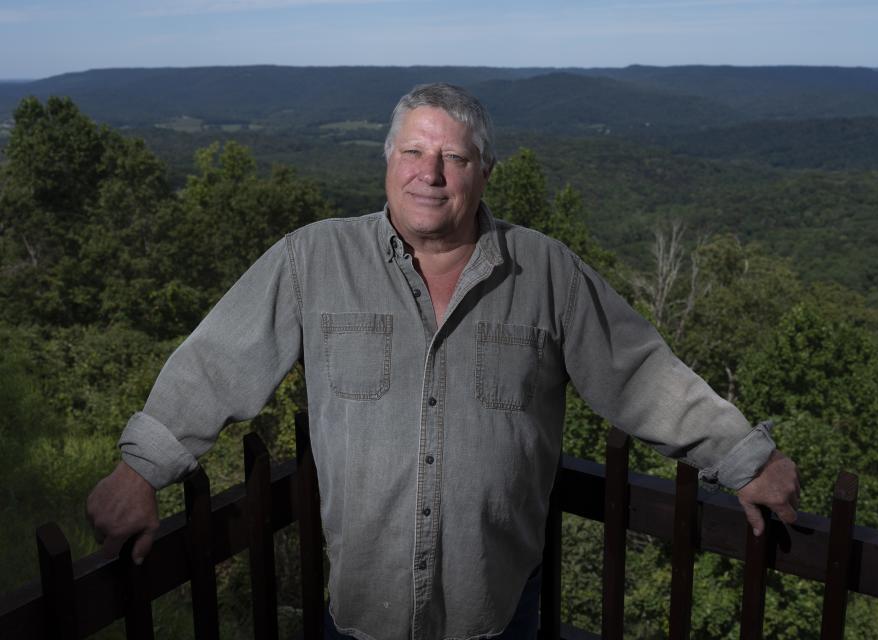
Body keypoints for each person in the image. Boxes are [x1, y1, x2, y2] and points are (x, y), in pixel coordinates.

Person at [87, 83, 799, 640]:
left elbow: (641, 373)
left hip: (496, 609)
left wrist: (744, 457)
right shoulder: (313, 260)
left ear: (484, 172)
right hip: (364, 612)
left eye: (453, 158)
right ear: (387, 163)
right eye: (412, 153)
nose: (430, 174)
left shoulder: (544, 271)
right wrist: (142, 467)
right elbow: (217, 360)